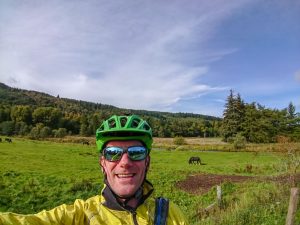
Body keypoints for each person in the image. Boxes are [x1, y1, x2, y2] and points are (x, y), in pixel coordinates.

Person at [0, 114, 188, 225]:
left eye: (136, 152)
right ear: (102, 164)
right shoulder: (82, 215)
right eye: (113, 153)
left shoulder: (171, 214)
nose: (124, 162)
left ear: (147, 162)